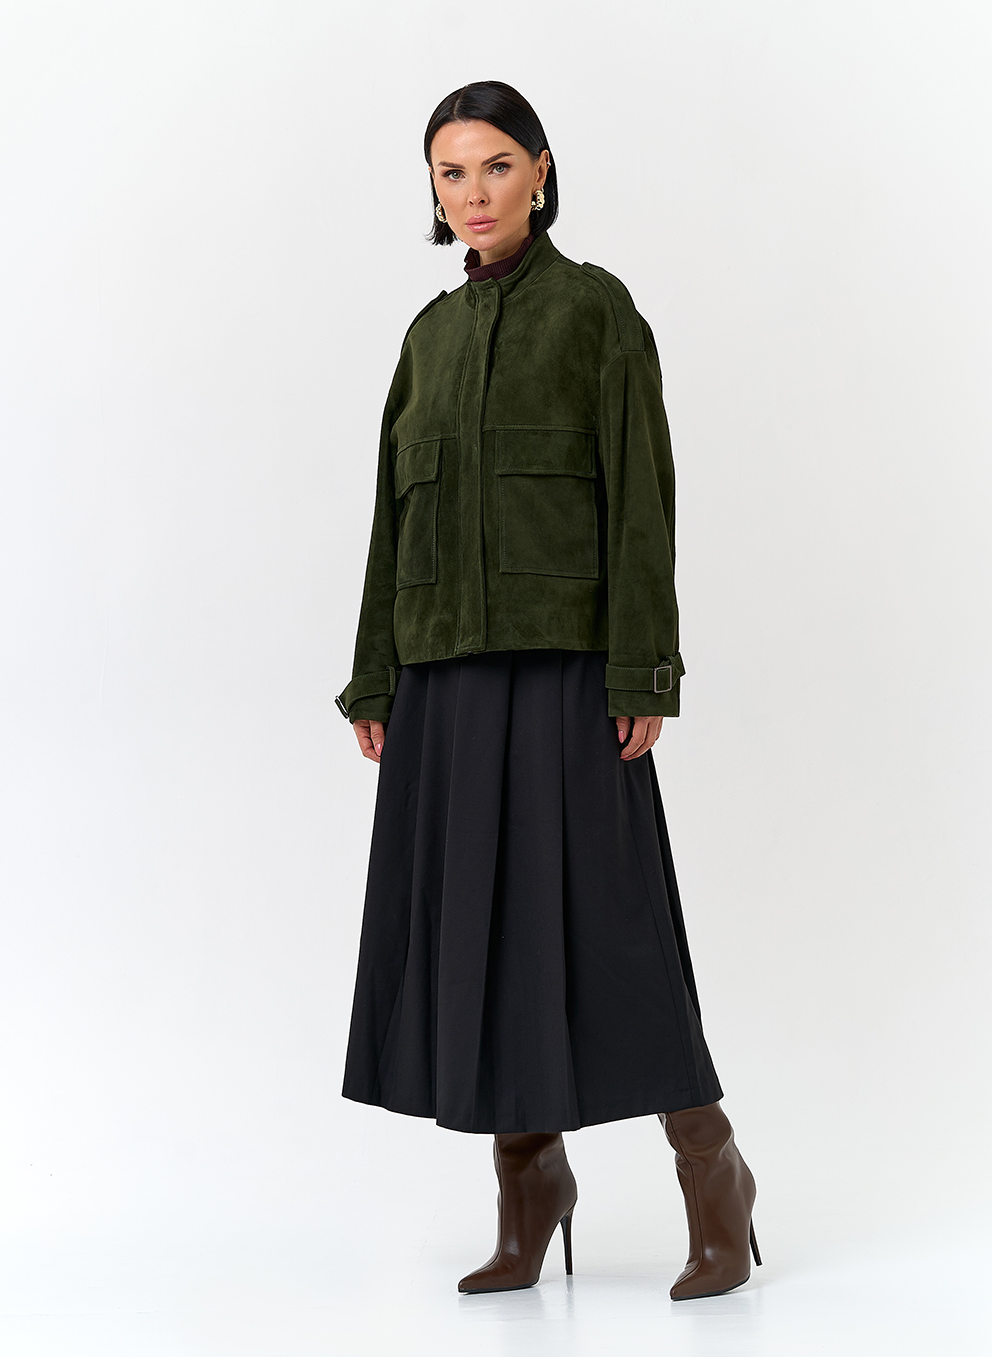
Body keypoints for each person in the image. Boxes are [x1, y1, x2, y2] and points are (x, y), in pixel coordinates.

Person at [334, 80, 761, 1301]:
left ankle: (712, 1171)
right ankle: (529, 1185)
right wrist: (375, 675)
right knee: (476, 928)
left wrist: (641, 666)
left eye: (494, 166)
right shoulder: (426, 338)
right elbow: (388, 523)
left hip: (569, 669)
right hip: (441, 680)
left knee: (612, 924)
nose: (472, 193)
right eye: (450, 173)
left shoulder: (594, 312)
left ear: (540, 170)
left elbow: (640, 501)